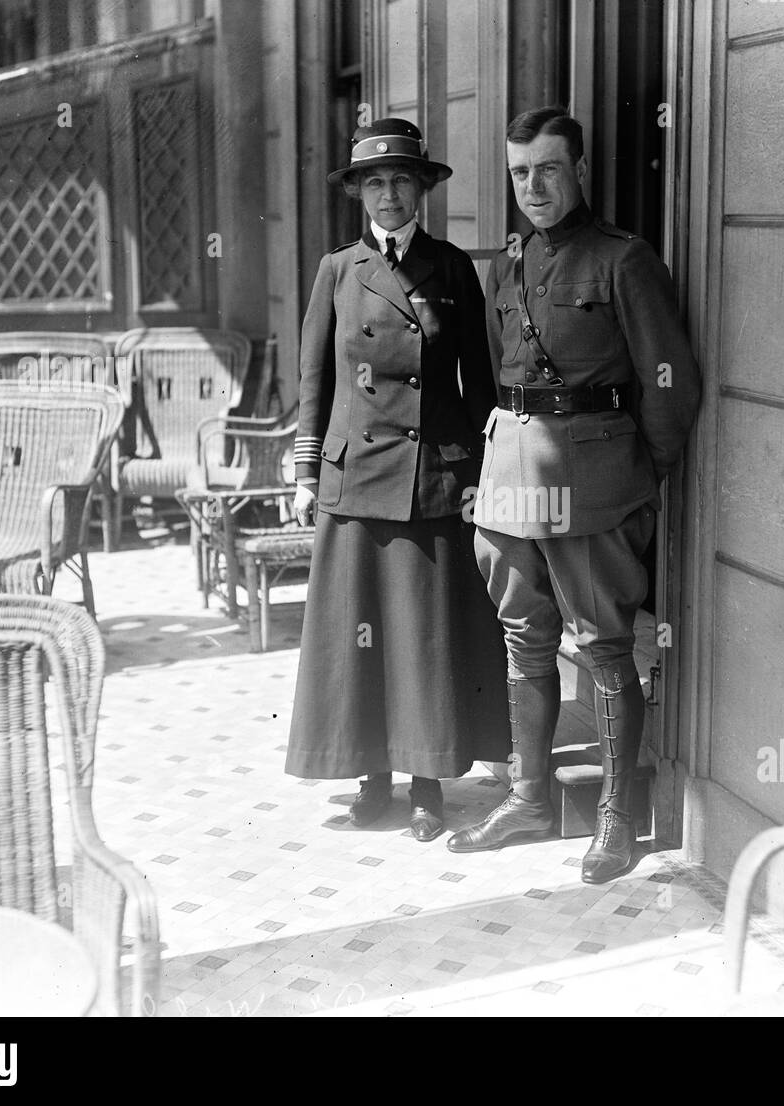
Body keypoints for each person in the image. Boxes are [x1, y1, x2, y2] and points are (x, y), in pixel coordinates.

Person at [447, 107, 701, 883]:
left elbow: (671, 382)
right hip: (512, 473)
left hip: (593, 479)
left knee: (603, 646)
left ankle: (617, 820)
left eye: (550, 169)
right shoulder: (509, 264)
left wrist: (636, 473)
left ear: (580, 171)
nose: (534, 187)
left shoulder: (624, 262)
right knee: (524, 639)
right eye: (521, 173)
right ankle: (529, 798)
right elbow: (502, 374)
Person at [285, 118, 509, 841]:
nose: (388, 194)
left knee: (424, 635)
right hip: (355, 477)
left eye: (401, 181)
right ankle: (371, 780)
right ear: (359, 193)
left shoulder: (451, 270)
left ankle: (426, 786)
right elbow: (314, 378)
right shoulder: (337, 271)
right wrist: (303, 469)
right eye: (374, 183)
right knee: (361, 635)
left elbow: (480, 387)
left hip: (433, 478)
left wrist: (485, 475)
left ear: (422, 190)